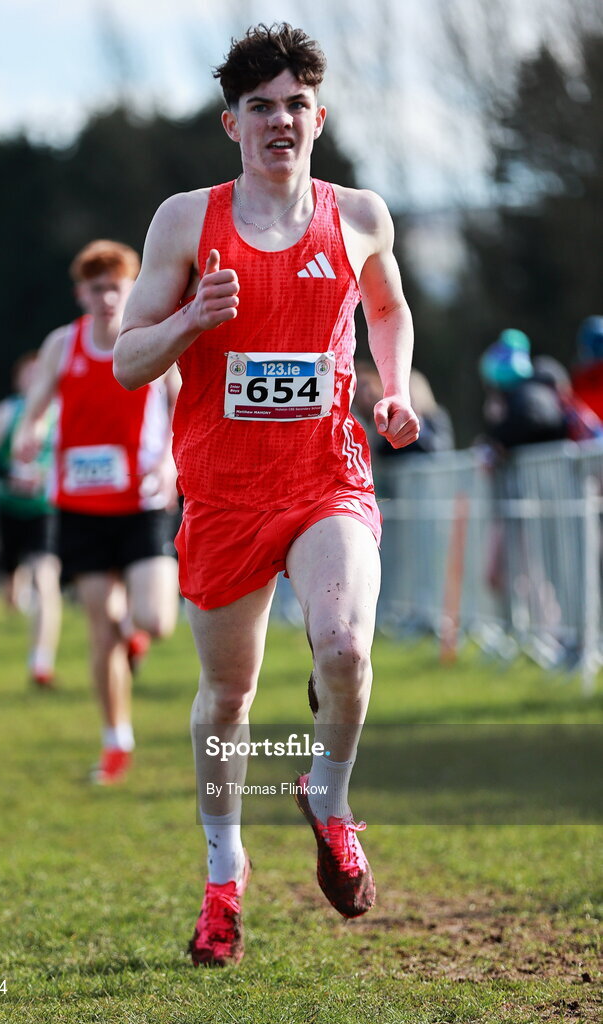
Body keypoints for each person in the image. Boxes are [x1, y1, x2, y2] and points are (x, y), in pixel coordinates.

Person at [113, 24, 419, 966]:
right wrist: (191, 321)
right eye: (260, 108)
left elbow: (388, 307)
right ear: (231, 124)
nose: (279, 121)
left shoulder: (360, 214)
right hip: (224, 492)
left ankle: (327, 796)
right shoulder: (183, 222)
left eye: (294, 105)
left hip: (327, 475)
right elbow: (128, 359)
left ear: (317, 118)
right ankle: (222, 873)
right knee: (228, 698)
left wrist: (395, 385)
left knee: (342, 645)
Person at [13, 240, 180, 783]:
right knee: (100, 630)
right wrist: (28, 437)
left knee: (155, 619)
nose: (107, 297)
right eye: (97, 287)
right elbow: (36, 408)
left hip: (142, 504)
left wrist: (173, 467)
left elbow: (184, 409)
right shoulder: (64, 344)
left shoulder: (153, 341)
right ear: (81, 293)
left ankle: (138, 638)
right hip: (80, 508)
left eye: (116, 286)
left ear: (132, 287)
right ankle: (116, 741)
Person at [0, 352, 62, 687]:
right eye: (29, 374)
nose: (37, 379)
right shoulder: (7, 412)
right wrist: (10, 474)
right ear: (18, 379)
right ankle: (15, 596)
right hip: (9, 509)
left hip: (45, 510)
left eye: (42, 372)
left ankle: (40, 663)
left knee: (45, 579)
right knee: (11, 593)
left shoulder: (61, 411)